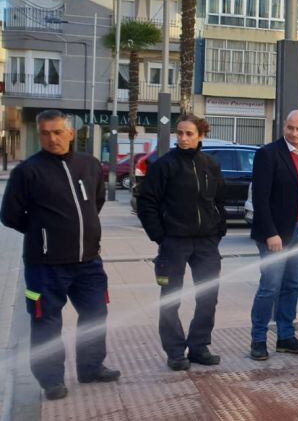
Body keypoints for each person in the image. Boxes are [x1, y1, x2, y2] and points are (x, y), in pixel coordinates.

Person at [1, 111, 120, 400]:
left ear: (70, 133)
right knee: (47, 322)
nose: (51, 138)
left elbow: (97, 200)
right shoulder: (27, 171)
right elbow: (9, 215)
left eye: (57, 132)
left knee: (95, 314)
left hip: (88, 263)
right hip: (45, 266)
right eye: (45, 133)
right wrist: (43, 232)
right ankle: (51, 380)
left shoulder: (89, 165)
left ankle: (91, 368)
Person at [136, 114, 227, 371]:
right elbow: (147, 202)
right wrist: (160, 235)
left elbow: (219, 200)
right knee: (170, 299)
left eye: (189, 134)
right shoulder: (164, 165)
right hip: (174, 242)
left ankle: (199, 347)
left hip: (206, 242)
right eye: (180, 133)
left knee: (208, 297)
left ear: (201, 135)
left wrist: (219, 229)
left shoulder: (210, 164)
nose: (183, 138)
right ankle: (175, 352)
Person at [248, 110, 298, 360]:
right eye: (290, 128)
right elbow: (260, 198)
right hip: (275, 234)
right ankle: (258, 340)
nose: (294, 133)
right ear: (284, 127)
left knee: (292, 285)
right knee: (270, 287)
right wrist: (271, 233)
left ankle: (286, 337)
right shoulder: (267, 154)